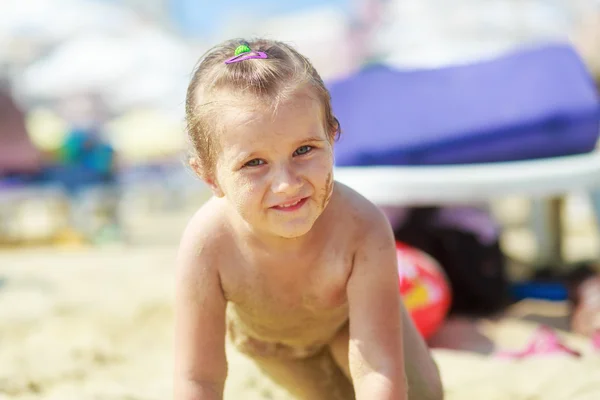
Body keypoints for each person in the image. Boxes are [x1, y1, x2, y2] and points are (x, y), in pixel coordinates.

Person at [174, 38, 443, 400]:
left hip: (356, 320)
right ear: (209, 176)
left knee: (424, 395)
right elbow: (198, 379)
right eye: (254, 163)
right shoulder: (208, 242)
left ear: (333, 136)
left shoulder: (362, 226)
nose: (286, 185)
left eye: (304, 150)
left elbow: (379, 367)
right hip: (277, 345)